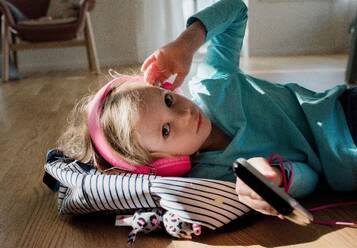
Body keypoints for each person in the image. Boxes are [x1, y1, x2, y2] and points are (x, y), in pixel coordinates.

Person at [58, 0, 357, 219]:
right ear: (164, 165)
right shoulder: (215, 176)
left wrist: (186, 43)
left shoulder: (213, 84)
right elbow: (312, 176)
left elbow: (236, 10)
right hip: (347, 169)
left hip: (344, 108)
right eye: (166, 130)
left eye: (168, 100)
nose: (184, 114)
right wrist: (278, 178)